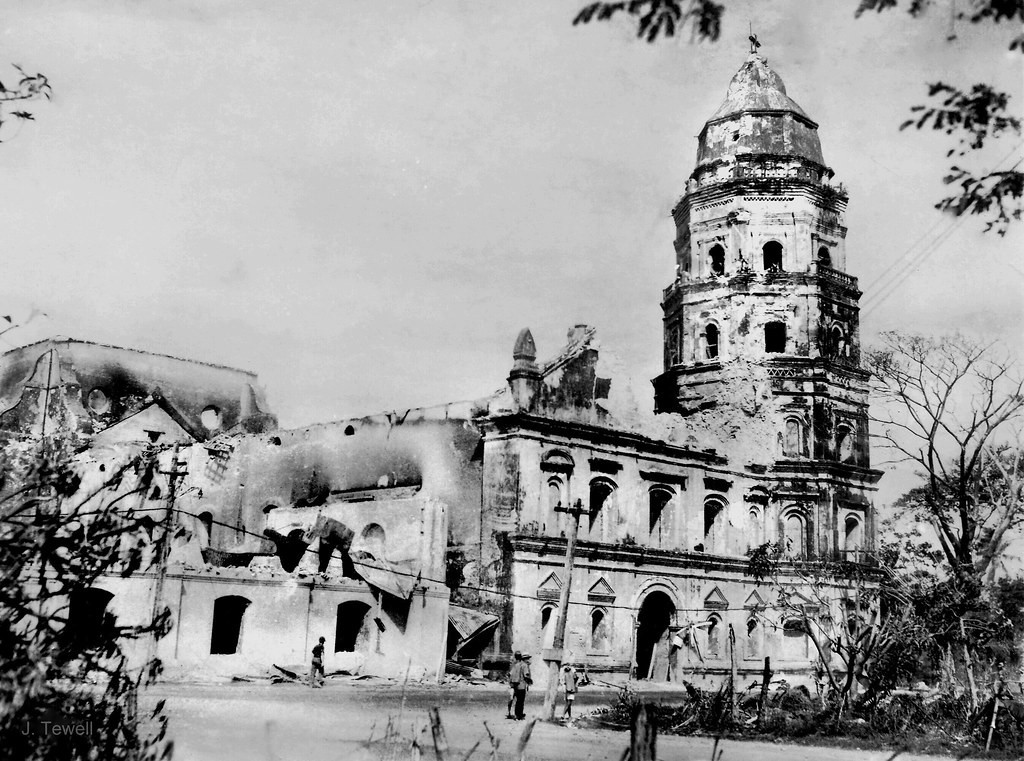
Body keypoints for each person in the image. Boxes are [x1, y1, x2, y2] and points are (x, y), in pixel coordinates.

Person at [508, 650, 531, 720]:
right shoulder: (524, 665)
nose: (529, 659)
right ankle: (519, 715)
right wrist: (529, 681)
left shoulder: (516, 665)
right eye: (528, 658)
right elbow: (526, 675)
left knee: (517, 700)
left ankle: (515, 714)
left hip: (515, 685)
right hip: (522, 685)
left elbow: (510, 674)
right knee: (521, 701)